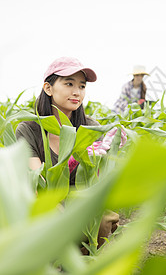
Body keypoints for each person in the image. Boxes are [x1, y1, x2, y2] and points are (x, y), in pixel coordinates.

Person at [15, 56, 119, 252]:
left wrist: (106, 153)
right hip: (46, 199)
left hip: (82, 200)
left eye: (81, 86)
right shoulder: (29, 129)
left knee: (104, 218)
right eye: (69, 83)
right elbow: (39, 181)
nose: (76, 92)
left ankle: (88, 262)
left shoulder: (91, 127)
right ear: (48, 88)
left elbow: (96, 181)